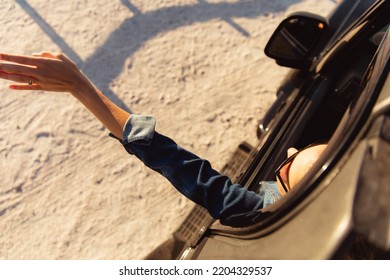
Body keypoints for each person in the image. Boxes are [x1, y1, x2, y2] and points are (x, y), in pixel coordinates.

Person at [0, 51, 327, 226]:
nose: (291, 148)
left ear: (279, 203)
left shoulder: (257, 213)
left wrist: (80, 86)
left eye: (285, 169)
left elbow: (177, 163)